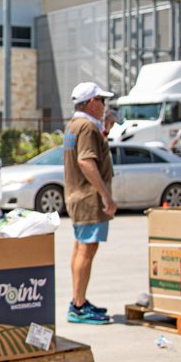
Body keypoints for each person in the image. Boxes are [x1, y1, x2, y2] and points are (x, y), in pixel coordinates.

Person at [63, 81, 117, 325]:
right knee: (87, 249)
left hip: (77, 195)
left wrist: (106, 129)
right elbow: (86, 161)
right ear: (92, 102)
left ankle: (79, 300)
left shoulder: (74, 125)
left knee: (80, 248)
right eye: (102, 101)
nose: (104, 106)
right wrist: (105, 195)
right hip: (88, 198)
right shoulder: (86, 127)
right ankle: (78, 305)